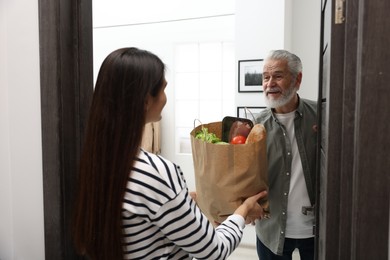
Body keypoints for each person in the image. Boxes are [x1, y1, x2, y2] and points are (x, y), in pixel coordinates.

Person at [72, 47, 268, 260]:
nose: (165, 98)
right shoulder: (156, 172)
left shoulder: (94, 162)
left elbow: (140, 220)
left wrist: (182, 201)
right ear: (146, 99)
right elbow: (213, 250)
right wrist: (243, 211)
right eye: (163, 89)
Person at [254, 50, 317, 260]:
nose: (270, 83)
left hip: (317, 231)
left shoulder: (321, 116)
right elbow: (246, 177)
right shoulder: (255, 126)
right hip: (271, 230)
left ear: (297, 79)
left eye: (278, 76)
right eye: (265, 77)